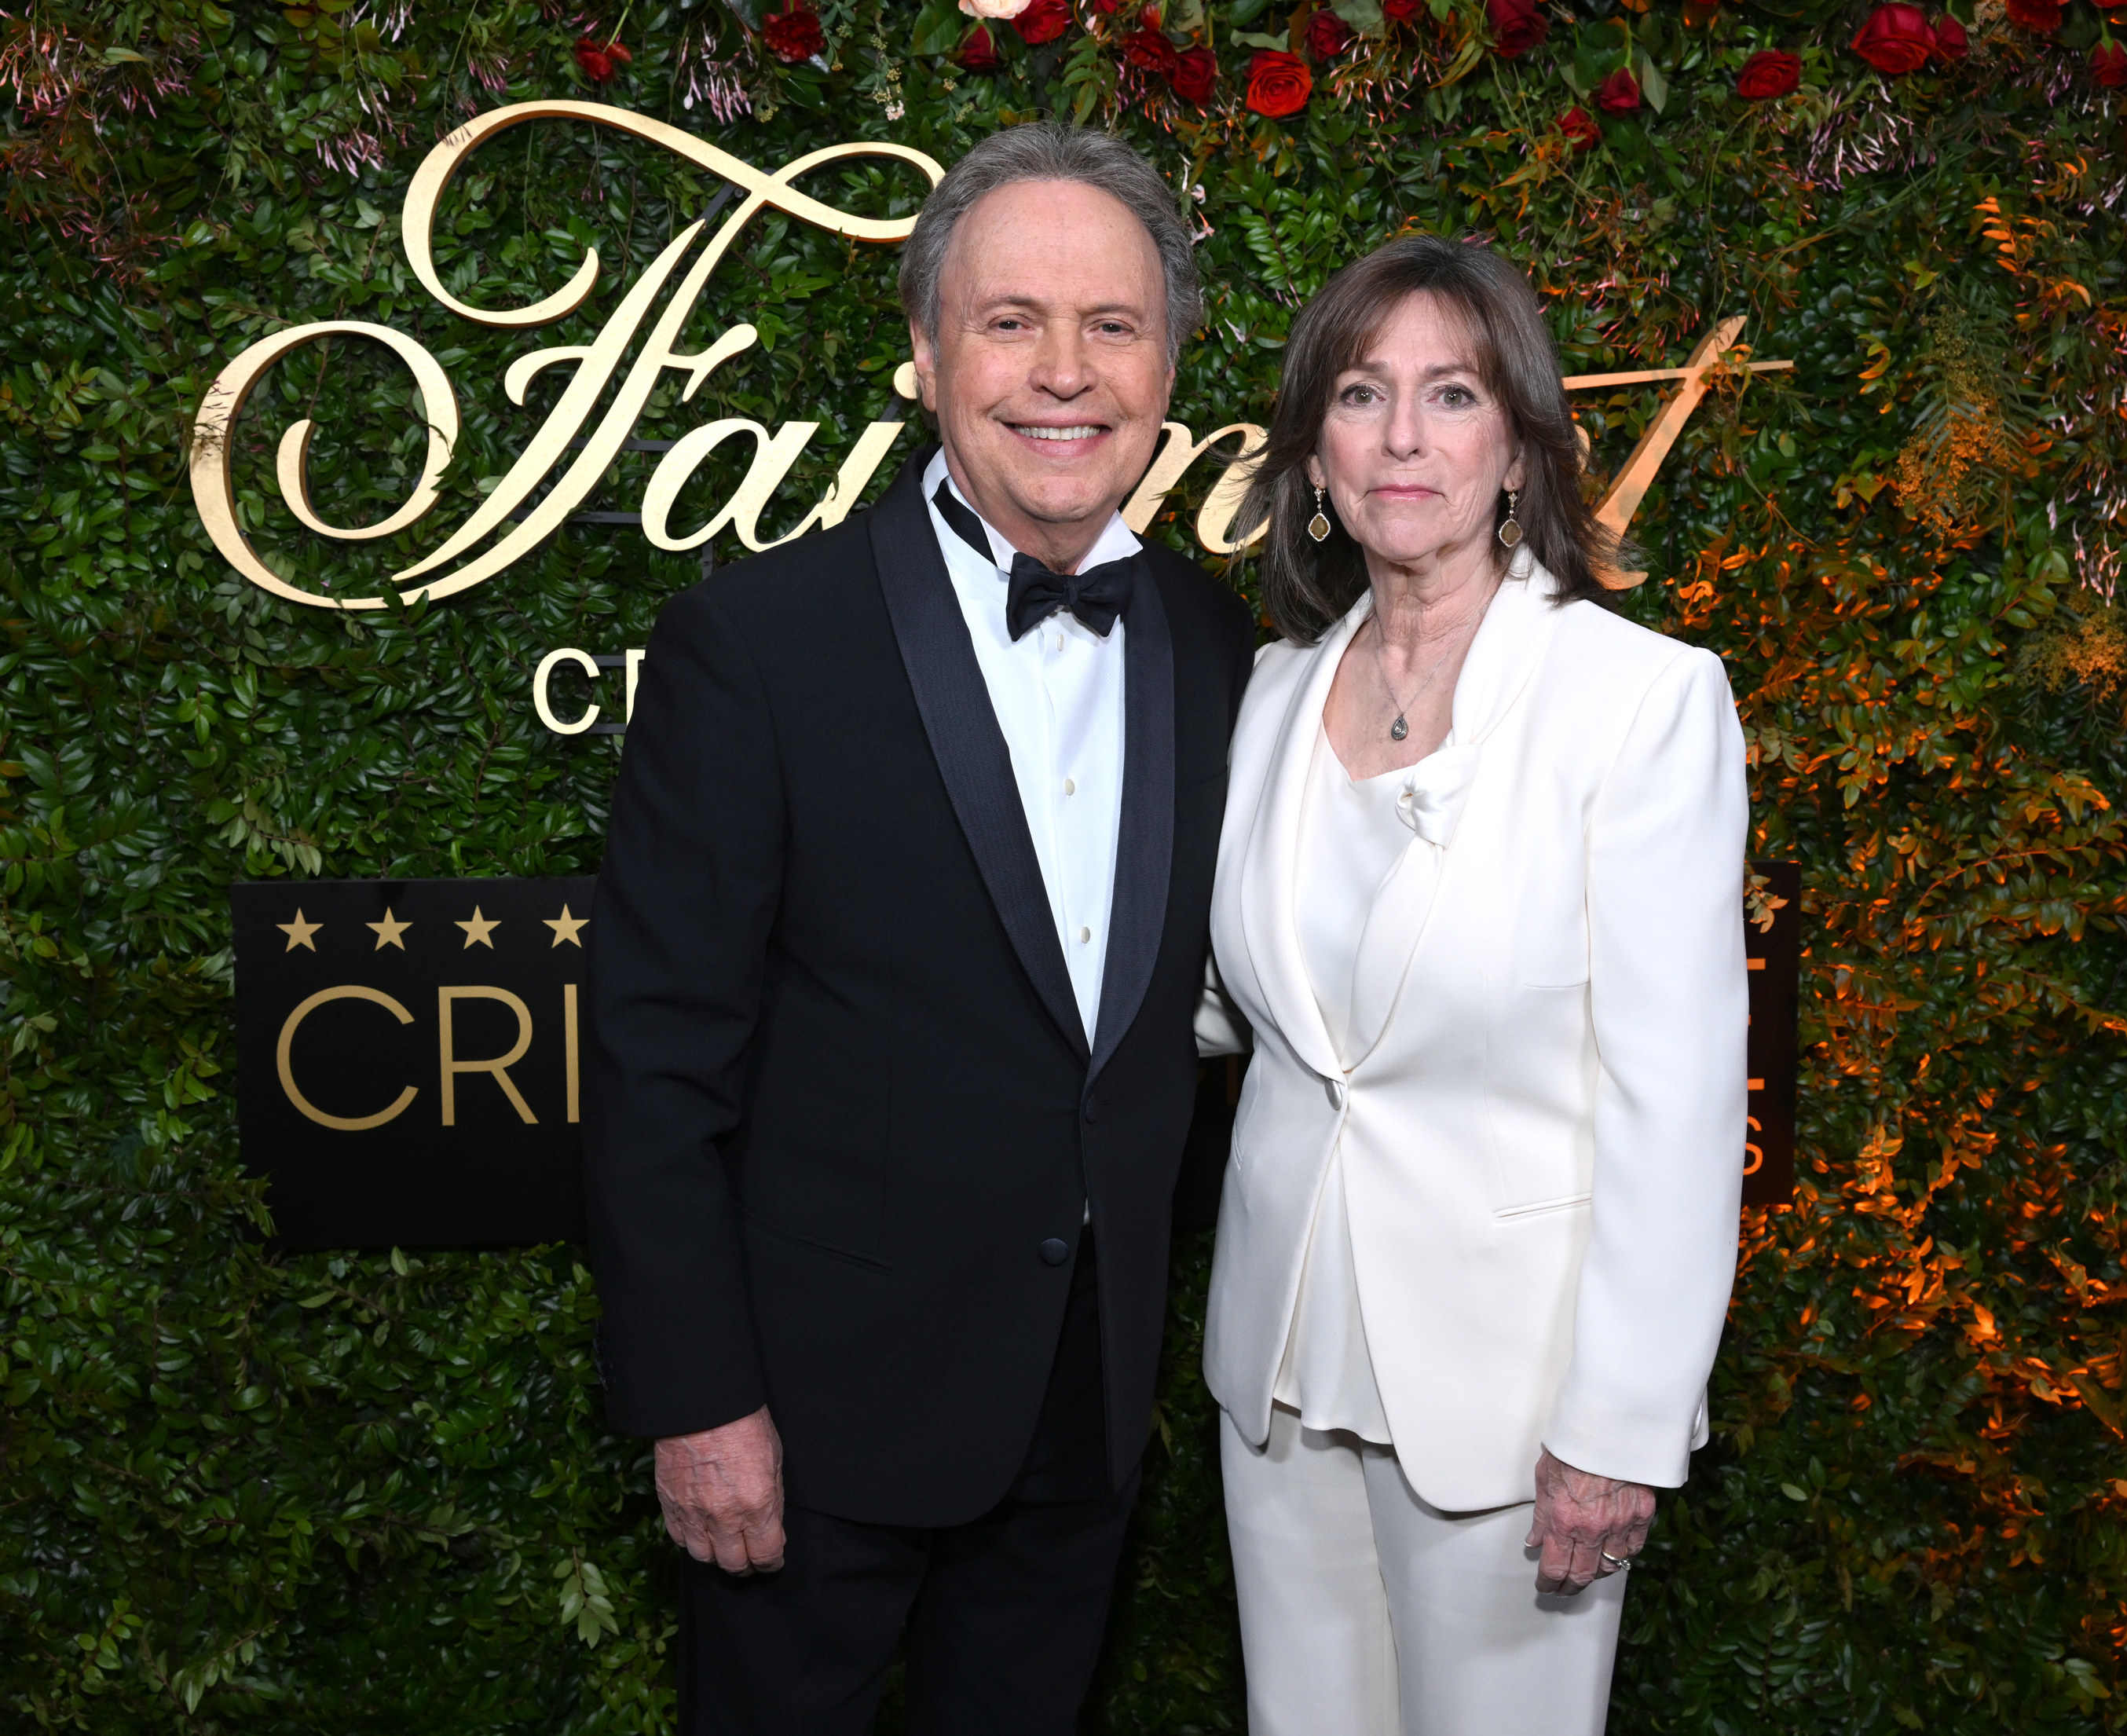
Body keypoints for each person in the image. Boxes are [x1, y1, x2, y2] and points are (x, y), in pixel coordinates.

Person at [584, 123, 1254, 1735]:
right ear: (924, 356)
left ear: (1168, 364)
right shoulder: (756, 641)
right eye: (1009, 320)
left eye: (1113, 326)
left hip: (1082, 1414)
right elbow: (652, 1059)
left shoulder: (1219, 645)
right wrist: (699, 1401)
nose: (1064, 373)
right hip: (807, 1422)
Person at [1199, 234, 1750, 1734]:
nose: (1403, 438)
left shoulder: (1636, 701)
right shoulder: (1269, 697)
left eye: (1452, 394)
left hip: (1516, 1402)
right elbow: (1227, 1008)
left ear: (1519, 445)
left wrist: (1620, 1425)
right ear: (1315, 447)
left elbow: (1677, 1097)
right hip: (1279, 1358)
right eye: (1363, 395)